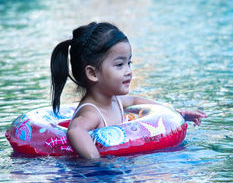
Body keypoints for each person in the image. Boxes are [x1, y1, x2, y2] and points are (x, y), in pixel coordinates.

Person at [50, 22, 207, 159]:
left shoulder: (114, 100)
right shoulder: (92, 112)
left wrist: (178, 113)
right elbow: (76, 130)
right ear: (92, 73)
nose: (129, 71)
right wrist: (95, 163)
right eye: (119, 64)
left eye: (129, 63)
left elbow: (135, 101)